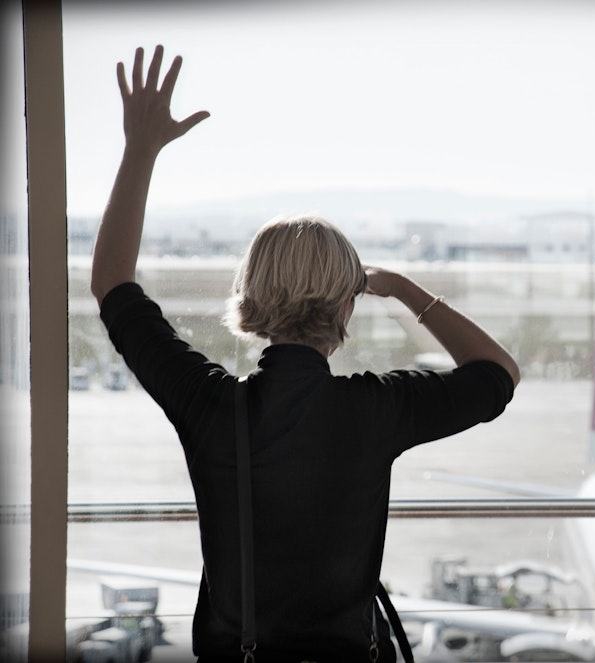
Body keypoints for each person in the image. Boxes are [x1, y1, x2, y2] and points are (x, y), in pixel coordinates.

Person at [91, 45, 520, 662]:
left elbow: (112, 283)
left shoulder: (207, 402)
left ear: (248, 296)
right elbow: (498, 374)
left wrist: (140, 149)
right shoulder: (378, 408)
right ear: (348, 306)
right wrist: (404, 289)